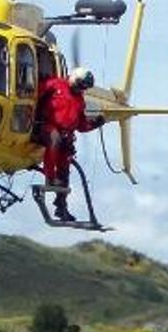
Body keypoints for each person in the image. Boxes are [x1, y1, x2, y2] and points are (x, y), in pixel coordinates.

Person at [38, 67, 106, 221]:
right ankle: (50, 177)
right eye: (80, 85)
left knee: (64, 170)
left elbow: (81, 126)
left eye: (83, 88)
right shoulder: (54, 85)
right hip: (47, 126)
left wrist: (95, 123)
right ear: (73, 78)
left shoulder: (80, 100)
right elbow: (34, 95)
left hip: (66, 135)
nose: (80, 89)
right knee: (54, 140)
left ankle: (61, 207)